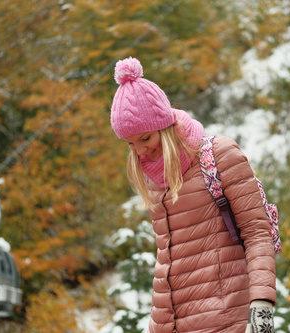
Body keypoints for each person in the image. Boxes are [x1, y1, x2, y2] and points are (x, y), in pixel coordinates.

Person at [110, 57, 277, 333]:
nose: (139, 151)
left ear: (164, 126)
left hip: (226, 318)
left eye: (145, 139)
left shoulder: (219, 156)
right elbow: (168, 257)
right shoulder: (152, 179)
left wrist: (262, 309)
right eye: (130, 144)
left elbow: (258, 231)